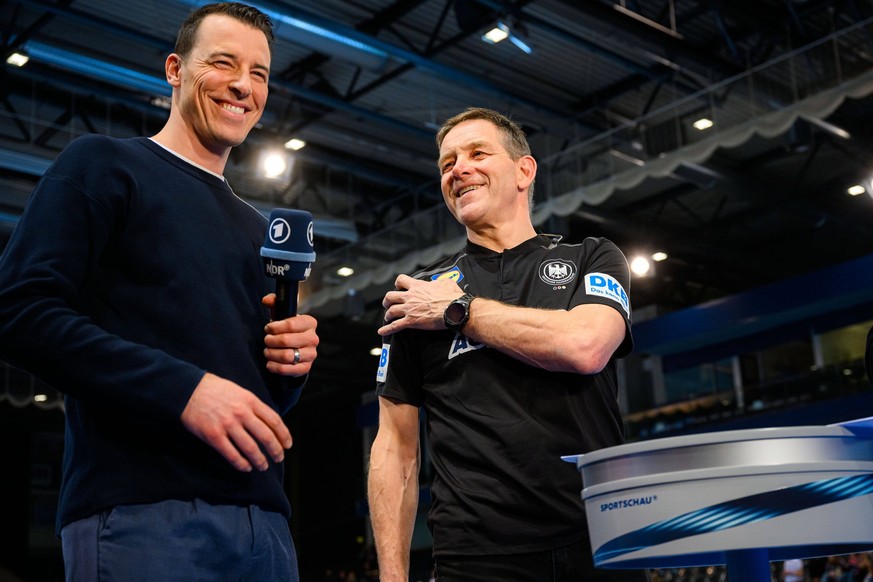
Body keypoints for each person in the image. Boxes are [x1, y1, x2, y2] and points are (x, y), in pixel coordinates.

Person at [0, 3, 318, 580]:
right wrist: (183, 391)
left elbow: (257, 400)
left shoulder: (257, 229)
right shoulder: (105, 165)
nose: (242, 85)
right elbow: (17, 310)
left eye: (260, 73)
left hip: (265, 528)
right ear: (175, 69)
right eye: (222, 63)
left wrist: (290, 365)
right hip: (142, 516)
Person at [367, 107, 645, 582]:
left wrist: (459, 312)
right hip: (476, 558)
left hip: (598, 544)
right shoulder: (419, 296)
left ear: (524, 170)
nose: (459, 169)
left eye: (478, 153)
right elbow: (395, 450)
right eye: (447, 163)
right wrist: (393, 577)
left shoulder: (592, 258)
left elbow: (586, 346)